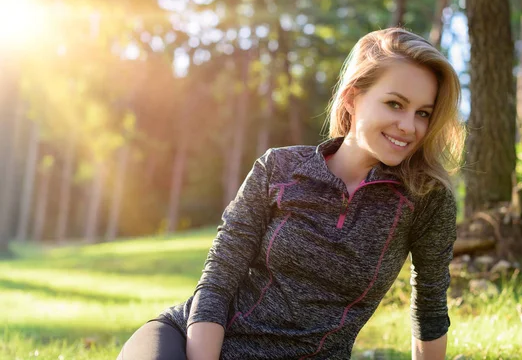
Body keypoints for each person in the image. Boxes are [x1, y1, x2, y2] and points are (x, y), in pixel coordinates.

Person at [117, 27, 465, 360]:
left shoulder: (425, 200)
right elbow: (218, 280)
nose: (409, 126)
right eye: (394, 104)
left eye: (423, 113)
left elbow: (430, 307)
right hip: (193, 343)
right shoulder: (279, 168)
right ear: (352, 99)